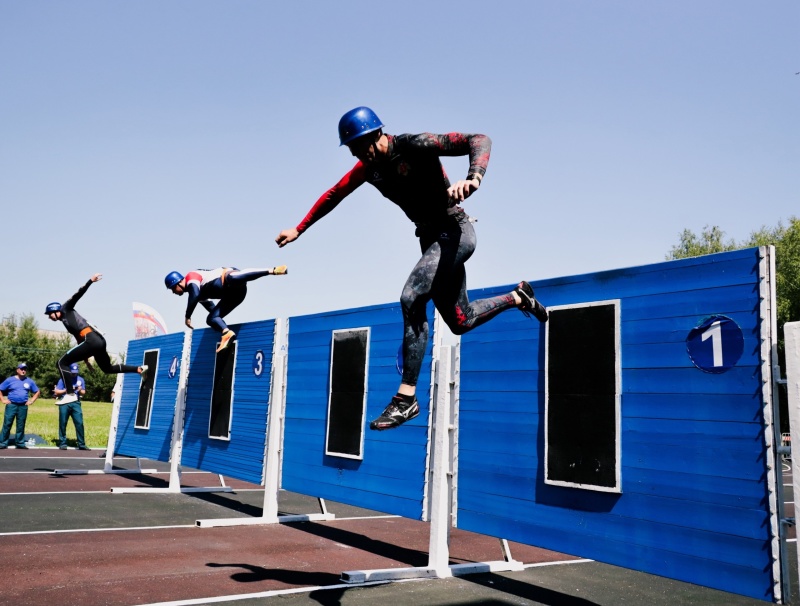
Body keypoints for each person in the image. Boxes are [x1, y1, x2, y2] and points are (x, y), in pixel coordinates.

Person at [275, 107, 548, 431]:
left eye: (360, 147)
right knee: (461, 320)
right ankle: (519, 298)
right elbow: (335, 194)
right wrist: (299, 228)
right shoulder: (367, 169)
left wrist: (474, 177)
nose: (358, 155)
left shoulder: (415, 145)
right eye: (351, 150)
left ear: (377, 135)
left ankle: (406, 399)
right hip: (430, 240)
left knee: (412, 296)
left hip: (454, 231)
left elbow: (479, 139)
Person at [46, 273, 147, 405]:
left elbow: (78, 294)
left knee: (61, 363)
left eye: (50, 315)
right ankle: (139, 369)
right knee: (108, 369)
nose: (50, 318)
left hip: (92, 340)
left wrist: (90, 281)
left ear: (55, 310)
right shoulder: (66, 322)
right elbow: (79, 341)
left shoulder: (66, 308)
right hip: (97, 342)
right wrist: (86, 361)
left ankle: (70, 393)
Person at [164, 265, 288, 353]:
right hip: (234, 297)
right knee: (211, 319)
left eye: (173, 289)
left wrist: (187, 316)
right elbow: (211, 307)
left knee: (233, 278)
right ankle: (227, 333)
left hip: (229, 279)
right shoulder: (198, 293)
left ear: (178, 282)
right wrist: (218, 323)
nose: (174, 292)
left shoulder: (191, 277)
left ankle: (272, 270)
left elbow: (194, 295)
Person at [0, 363, 40, 449]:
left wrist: (32, 400)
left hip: (23, 406)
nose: (23, 371)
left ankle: (20, 443)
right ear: (17, 370)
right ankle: (3, 442)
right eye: (21, 369)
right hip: (12, 405)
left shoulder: (29, 381)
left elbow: (37, 391)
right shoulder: (10, 380)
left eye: (25, 369)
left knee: (21, 424)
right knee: (7, 423)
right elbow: (0, 389)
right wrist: (3, 399)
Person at [54, 363, 89, 450]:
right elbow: (57, 392)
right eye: (73, 372)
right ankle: (62, 443)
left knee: (79, 423)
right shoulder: (63, 379)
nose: (74, 374)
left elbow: (84, 392)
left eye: (76, 372)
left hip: (75, 402)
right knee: (63, 423)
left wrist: (80, 390)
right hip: (64, 402)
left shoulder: (81, 379)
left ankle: (81, 444)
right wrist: (67, 389)